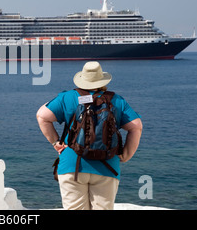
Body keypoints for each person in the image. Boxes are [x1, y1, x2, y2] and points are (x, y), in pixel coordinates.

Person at [36, 61, 143, 210]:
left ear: (81, 79)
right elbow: (136, 127)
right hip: (107, 166)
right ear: (102, 80)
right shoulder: (116, 100)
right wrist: (126, 155)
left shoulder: (67, 97)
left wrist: (55, 142)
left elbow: (42, 116)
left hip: (72, 165)